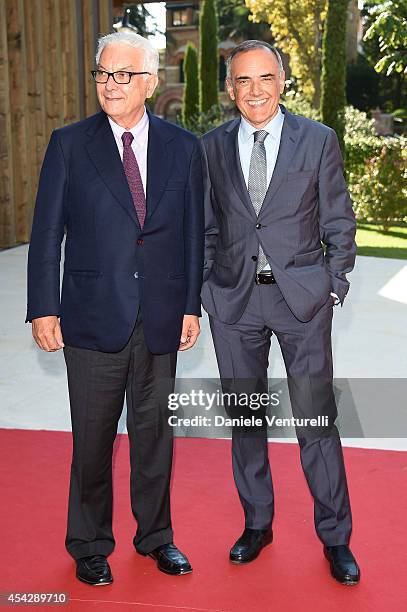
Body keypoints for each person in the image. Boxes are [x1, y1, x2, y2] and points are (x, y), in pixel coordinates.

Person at [26, 31, 204, 585]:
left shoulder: (183, 147)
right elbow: (46, 230)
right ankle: (89, 544)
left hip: (159, 315)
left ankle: (156, 538)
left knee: (155, 439)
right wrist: (42, 307)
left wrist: (191, 306)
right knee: (93, 441)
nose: (110, 83)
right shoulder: (69, 143)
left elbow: (192, 234)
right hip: (91, 315)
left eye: (123, 74)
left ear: (150, 82)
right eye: (103, 73)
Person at [201, 40, 360, 585]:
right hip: (235, 302)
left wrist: (333, 286)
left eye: (265, 77)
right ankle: (257, 523)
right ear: (230, 89)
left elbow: (338, 219)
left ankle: (335, 537)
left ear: (283, 80)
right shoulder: (212, 147)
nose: (255, 90)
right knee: (246, 419)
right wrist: (207, 288)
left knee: (317, 421)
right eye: (243, 81)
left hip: (302, 301)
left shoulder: (317, 140)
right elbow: (206, 224)